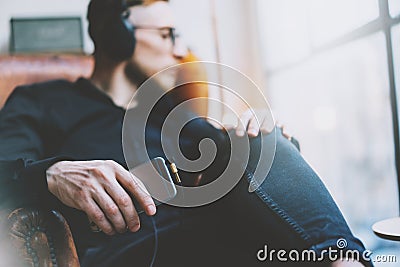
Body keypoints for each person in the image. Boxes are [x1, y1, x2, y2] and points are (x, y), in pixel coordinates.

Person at [0, 0, 371, 266]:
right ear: (118, 34)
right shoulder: (41, 101)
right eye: (167, 34)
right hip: (135, 249)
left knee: (258, 136)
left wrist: (268, 140)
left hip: (232, 234)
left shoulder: (173, 112)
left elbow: (247, 168)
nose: (180, 49)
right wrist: (52, 173)